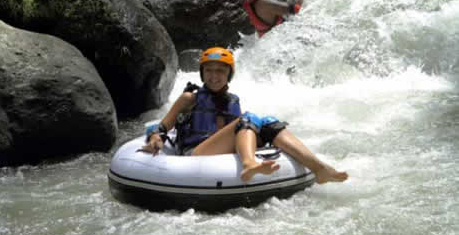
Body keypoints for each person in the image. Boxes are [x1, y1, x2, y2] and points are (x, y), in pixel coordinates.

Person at [140, 47, 348, 184]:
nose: (214, 76)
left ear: (229, 74)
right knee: (247, 119)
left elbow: (240, 133)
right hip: (195, 155)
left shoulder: (233, 101)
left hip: (221, 155)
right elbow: (163, 126)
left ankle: (319, 168)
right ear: (202, 73)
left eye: (220, 71)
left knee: (268, 123)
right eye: (209, 70)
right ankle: (249, 164)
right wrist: (155, 139)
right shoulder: (189, 98)